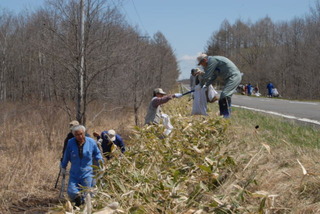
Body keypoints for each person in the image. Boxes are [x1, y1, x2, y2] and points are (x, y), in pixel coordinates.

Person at [61, 125, 103, 207]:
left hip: (87, 172)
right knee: (71, 191)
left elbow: (97, 154)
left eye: (81, 134)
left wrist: (101, 164)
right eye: (77, 135)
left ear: (84, 133)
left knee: (87, 193)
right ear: (74, 135)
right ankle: (78, 200)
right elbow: (66, 155)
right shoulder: (70, 142)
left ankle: (82, 207)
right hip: (74, 172)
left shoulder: (91, 142)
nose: (80, 136)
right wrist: (63, 166)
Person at [196, 53, 242, 118]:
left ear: (205, 60)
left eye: (201, 63)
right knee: (224, 96)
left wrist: (200, 85)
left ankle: (226, 115)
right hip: (229, 78)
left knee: (224, 95)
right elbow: (213, 76)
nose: (202, 65)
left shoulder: (212, 61)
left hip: (234, 76)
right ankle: (223, 114)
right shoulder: (212, 63)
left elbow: (207, 75)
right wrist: (206, 85)